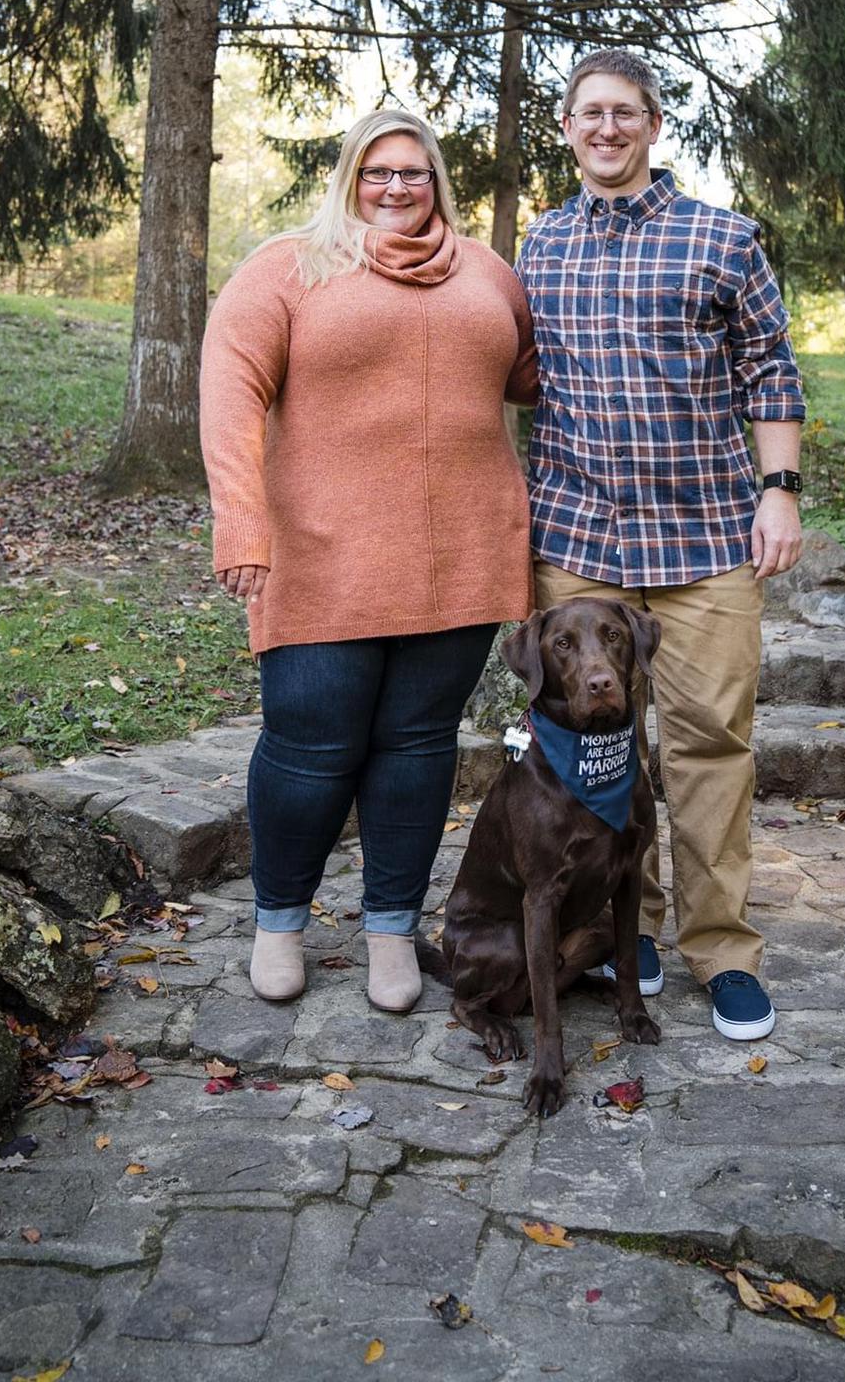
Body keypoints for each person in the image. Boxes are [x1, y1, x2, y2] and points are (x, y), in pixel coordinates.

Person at [199, 108, 536, 1015]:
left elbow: (541, 379)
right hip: (320, 556)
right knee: (311, 749)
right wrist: (241, 521)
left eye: (414, 172)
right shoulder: (290, 266)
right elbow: (231, 390)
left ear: (438, 182)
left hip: (460, 558)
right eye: (378, 171)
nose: (396, 186)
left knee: (417, 750)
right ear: (351, 177)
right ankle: (279, 924)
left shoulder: (490, 275)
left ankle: (391, 927)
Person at [517, 49, 805, 1042]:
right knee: (593, 753)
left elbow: (772, 369)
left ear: (651, 125)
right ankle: (620, 925)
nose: (607, 128)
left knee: (709, 746)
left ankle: (720, 946)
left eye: (625, 112)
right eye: (589, 113)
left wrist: (779, 492)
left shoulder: (721, 239)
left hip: (704, 543)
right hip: (578, 541)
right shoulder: (537, 247)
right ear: (566, 126)